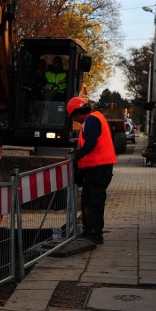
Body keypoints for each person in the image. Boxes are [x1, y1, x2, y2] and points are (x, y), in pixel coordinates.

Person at [66, 97, 117, 245]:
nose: (75, 120)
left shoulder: (92, 121)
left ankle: (93, 233)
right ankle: (90, 231)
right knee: (91, 200)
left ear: (78, 112)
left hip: (98, 169)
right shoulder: (94, 119)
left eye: (74, 116)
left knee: (92, 201)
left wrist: (76, 156)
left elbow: (91, 144)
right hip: (98, 169)